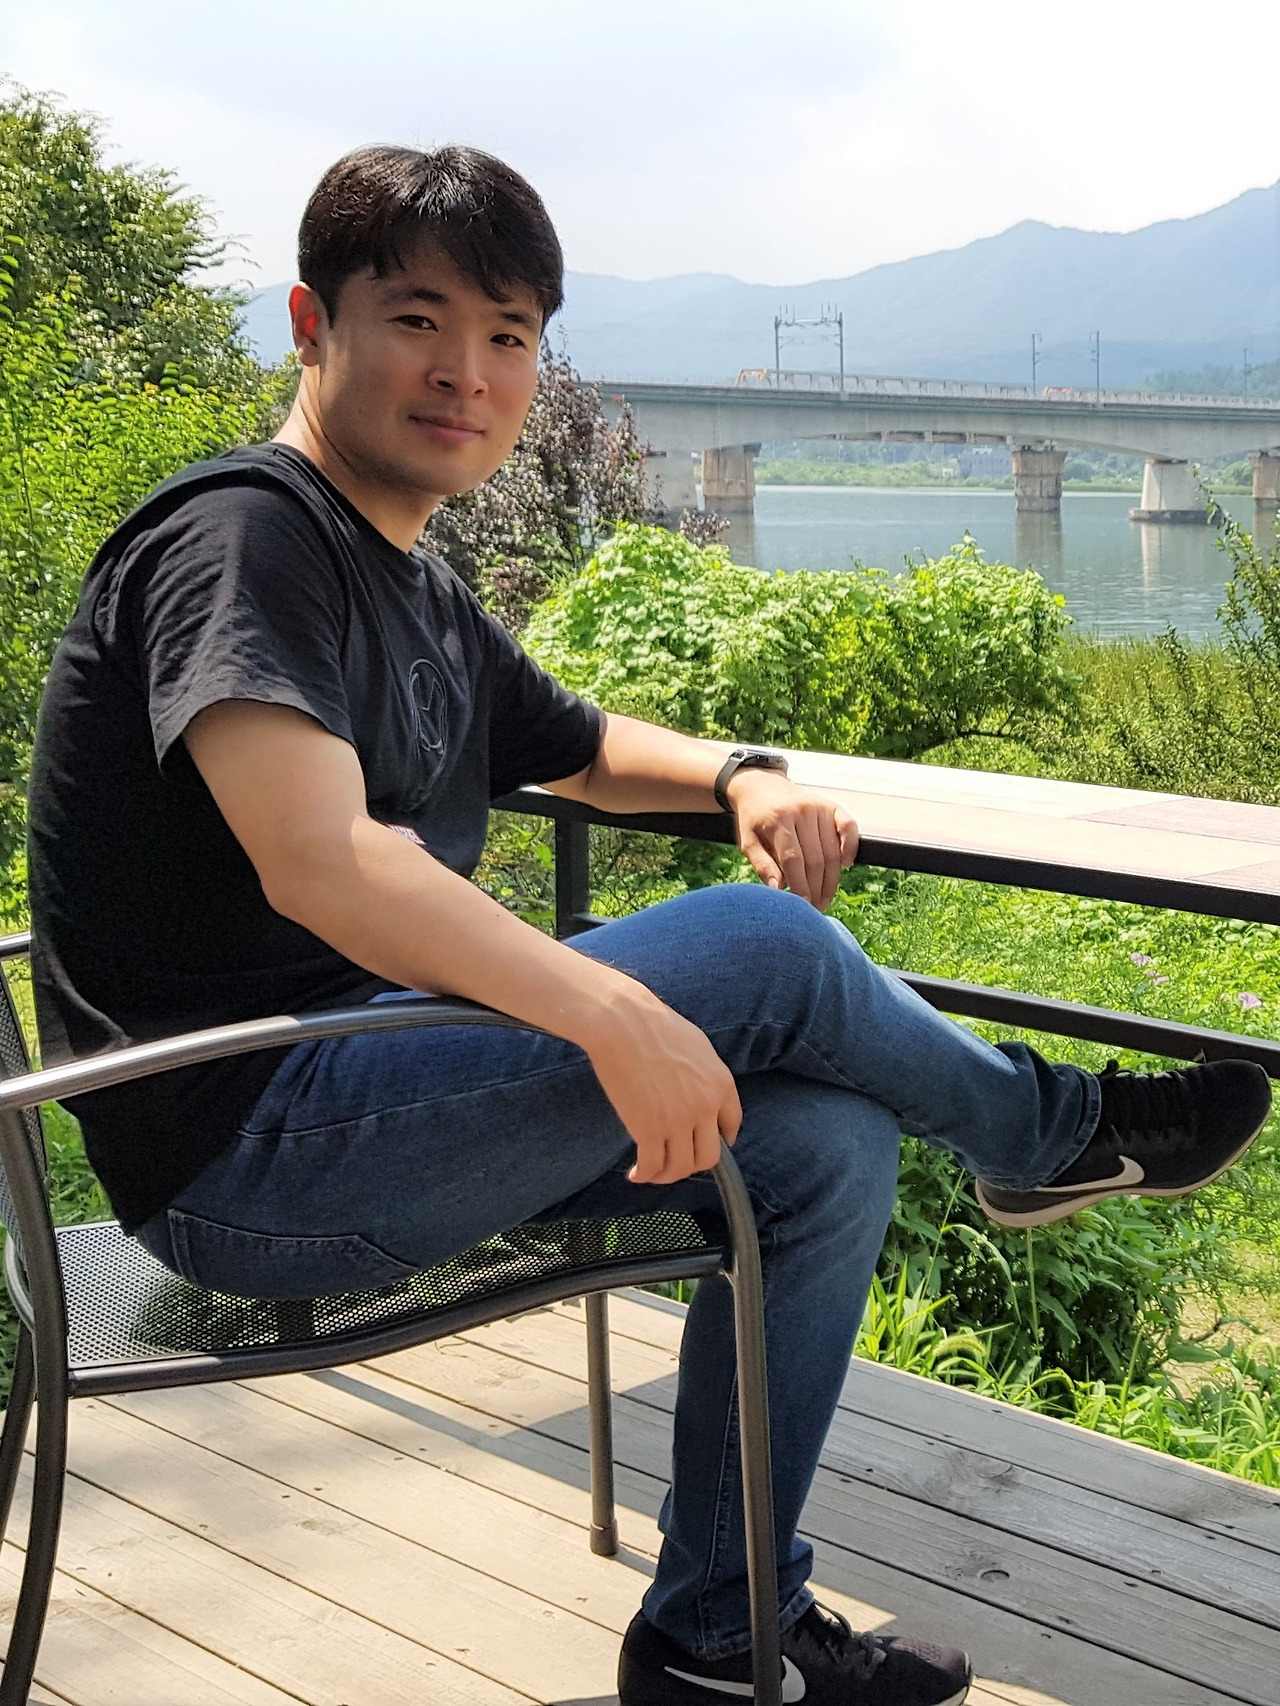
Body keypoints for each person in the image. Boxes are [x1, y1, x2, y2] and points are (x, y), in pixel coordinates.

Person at [27, 146, 1271, 1706]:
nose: (467, 373)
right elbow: (322, 861)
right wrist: (610, 1013)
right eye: (418, 320)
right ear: (310, 324)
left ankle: (714, 1632)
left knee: (829, 1146)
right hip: (245, 1151)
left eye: (508, 335)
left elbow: (582, 746)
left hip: (366, 1091)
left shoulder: (406, 580)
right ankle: (1048, 1130)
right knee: (767, 949)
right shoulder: (244, 540)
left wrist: (742, 775)